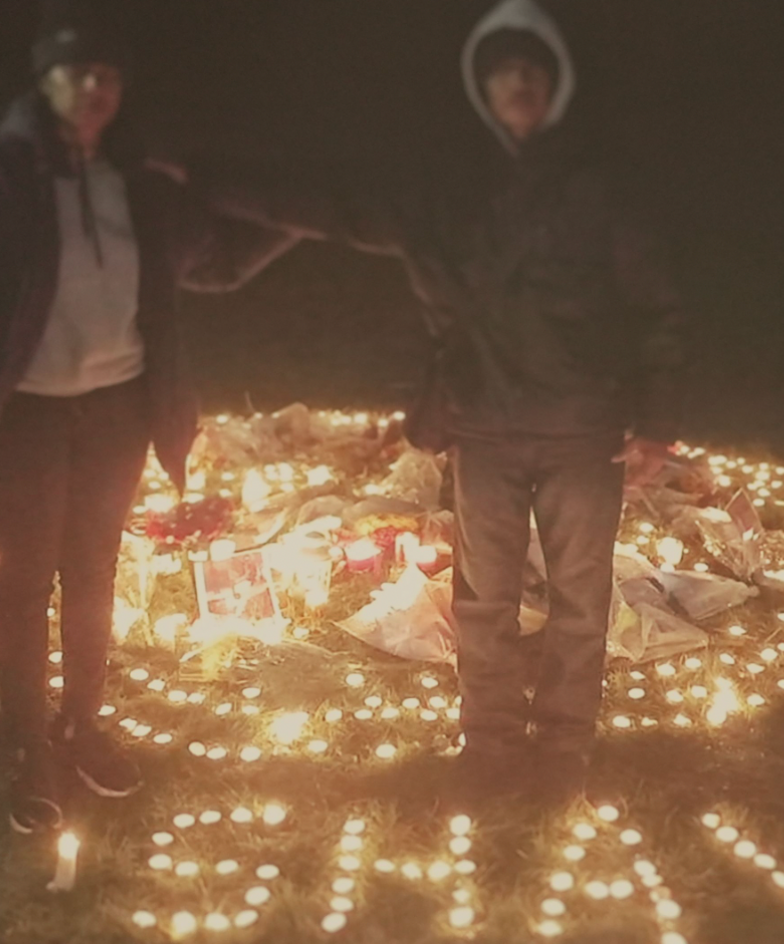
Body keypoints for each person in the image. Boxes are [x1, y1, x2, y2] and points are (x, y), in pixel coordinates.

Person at [203, 0, 689, 807]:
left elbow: (659, 307)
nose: (519, 86)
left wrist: (659, 424)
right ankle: (490, 745)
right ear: (484, 89)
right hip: (486, 429)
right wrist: (214, 184)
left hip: (582, 432)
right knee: (483, 600)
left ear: (555, 85)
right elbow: (339, 207)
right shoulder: (449, 193)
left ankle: (566, 748)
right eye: (504, 73)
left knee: (580, 601)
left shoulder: (599, 190)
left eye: (533, 72)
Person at [0, 0, 295, 834]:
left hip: (117, 410)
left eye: (106, 75)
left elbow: (213, 263)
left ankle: (82, 723)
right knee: (24, 575)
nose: (91, 89)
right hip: (26, 417)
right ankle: (29, 746)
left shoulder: (137, 185)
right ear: (44, 81)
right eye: (75, 73)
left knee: (94, 571)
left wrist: (294, 218)